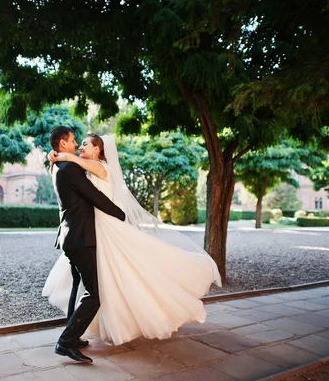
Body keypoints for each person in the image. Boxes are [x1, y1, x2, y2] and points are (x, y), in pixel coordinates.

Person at [43, 133, 222, 348]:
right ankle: (72, 335)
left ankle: (72, 336)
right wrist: (55, 155)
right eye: (77, 143)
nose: (80, 146)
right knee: (87, 284)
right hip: (89, 231)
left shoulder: (98, 167)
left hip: (101, 226)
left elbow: (90, 188)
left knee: (119, 273)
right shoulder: (80, 167)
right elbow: (74, 178)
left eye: (84, 144)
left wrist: (62, 156)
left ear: (98, 150)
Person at [48, 127, 126, 363]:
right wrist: (120, 215)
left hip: (72, 237)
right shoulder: (70, 167)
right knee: (94, 293)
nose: (76, 145)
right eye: (73, 141)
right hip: (80, 237)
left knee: (78, 288)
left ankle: (74, 336)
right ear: (62, 143)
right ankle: (66, 341)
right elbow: (94, 195)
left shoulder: (58, 165)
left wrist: (52, 155)